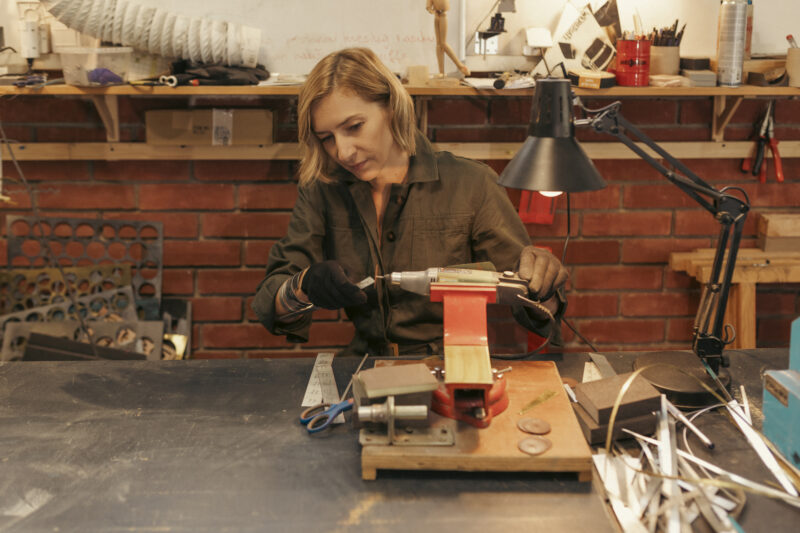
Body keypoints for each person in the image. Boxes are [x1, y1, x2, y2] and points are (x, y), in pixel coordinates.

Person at [252, 47, 568, 356]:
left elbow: (537, 308)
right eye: (327, 138)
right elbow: (271, 305)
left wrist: (544, 287)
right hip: (365, 365)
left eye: (354, 127)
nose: (344, 152)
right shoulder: (323, 189)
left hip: (451, 368)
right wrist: (302, 286)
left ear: (391, 107)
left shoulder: (472, 184)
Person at [426, 0, 470, 77]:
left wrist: (438, 11)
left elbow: (445, 5)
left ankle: (460, 65)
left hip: (443, 16)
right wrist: (433, 12)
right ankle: (441, 72)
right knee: (438, 45)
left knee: (443, 43)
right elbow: (428, 7)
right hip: (437, 17)